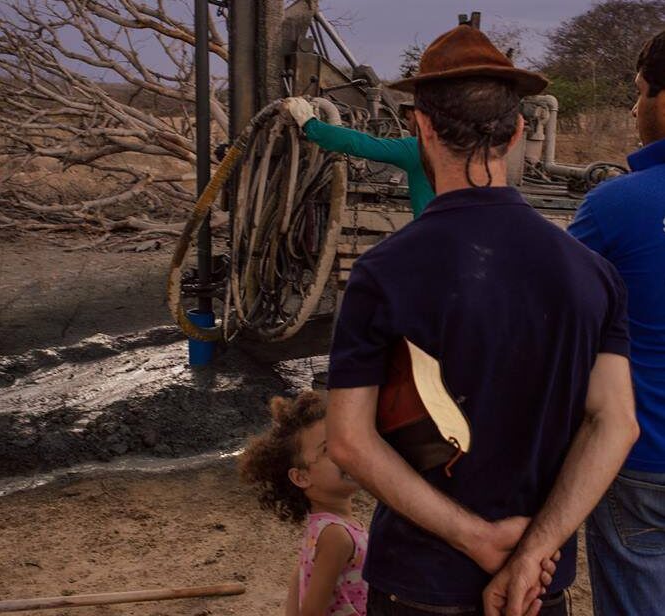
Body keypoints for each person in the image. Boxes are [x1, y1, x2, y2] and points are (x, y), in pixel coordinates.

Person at [325, 24, 639, 616]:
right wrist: (533, 551)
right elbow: (615, 424)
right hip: (536, 589)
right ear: (518, 131)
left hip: (419, 583)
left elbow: (348, 440)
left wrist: (476, 538)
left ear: (421, 127)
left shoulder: (382, 273)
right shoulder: (592, 274)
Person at [568, 29, 665, 616]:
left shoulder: (614, 205)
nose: (633, 109)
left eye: (640, 91)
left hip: (644, 458)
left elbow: (555, 314)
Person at [239, 391, 369, 615]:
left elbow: (299, 577)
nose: (345, 452)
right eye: (328, 449)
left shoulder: (323, 527)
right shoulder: (336, 535)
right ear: (301, 477)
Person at [282, 93, 434, 218]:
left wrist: (309, 122)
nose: (407, 125)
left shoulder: (419, 148)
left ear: (421, 118)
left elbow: (359, 143)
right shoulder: (445, 145)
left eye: (409, 119)